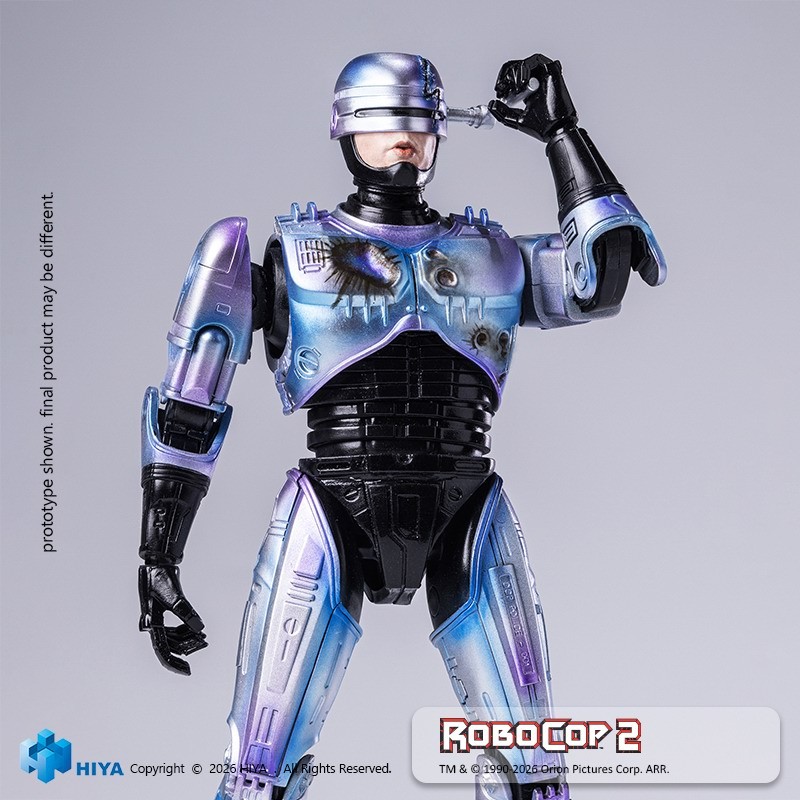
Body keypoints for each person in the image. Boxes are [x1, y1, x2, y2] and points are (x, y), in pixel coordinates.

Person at [138, 51, 665, 800]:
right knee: (260, 770)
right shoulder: (290, 257)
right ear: (347, 130)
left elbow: (602, 277)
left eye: (419, 122)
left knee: (533, 773)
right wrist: (158, 555)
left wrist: (562, 134)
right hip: (332, 503)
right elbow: (190, 400)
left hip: (466, 503)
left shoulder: (490, 255)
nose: (405, 140)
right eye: (385, 122)